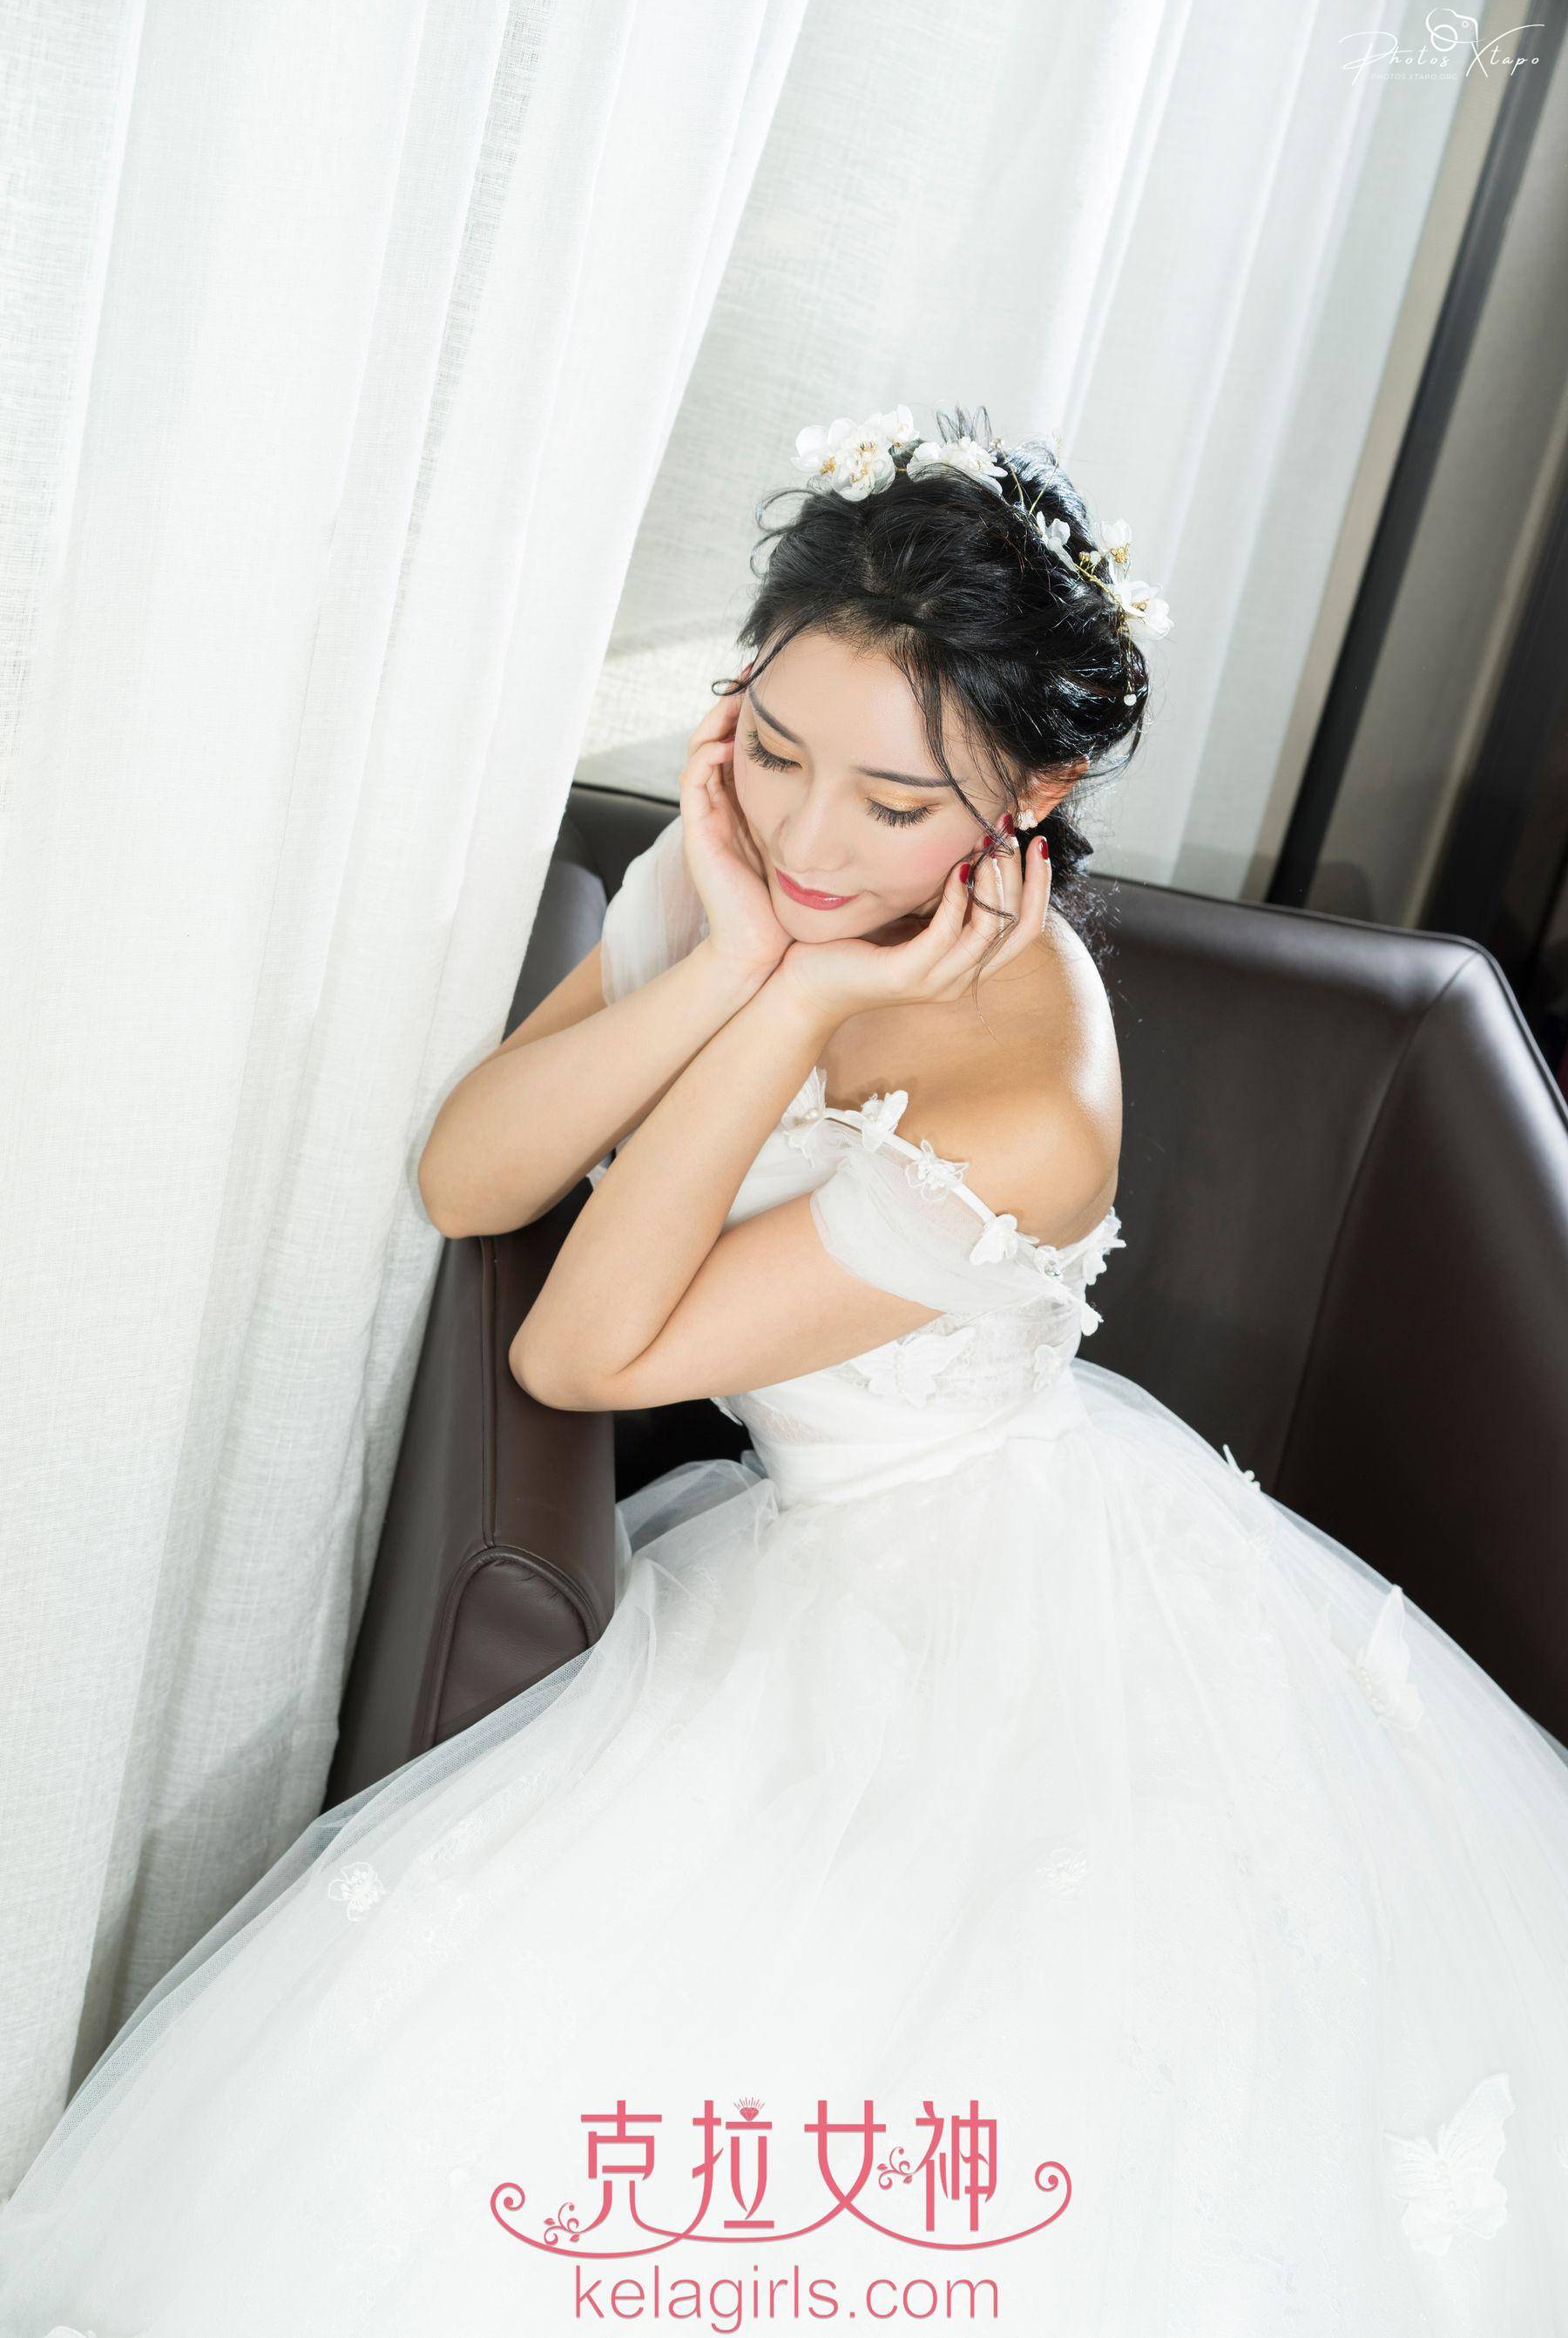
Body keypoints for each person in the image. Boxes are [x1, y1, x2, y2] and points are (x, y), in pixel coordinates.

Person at [3, 404, 1567, 2335]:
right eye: (773, 744)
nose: (811, 837)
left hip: (991, 1604)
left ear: (1035, 793)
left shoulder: (1031, 1109)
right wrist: (743, 952)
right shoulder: (748, 859)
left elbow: (580, 1348)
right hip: (807, 1535)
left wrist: (793, 984)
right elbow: (471, 1172)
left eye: (897, 805)